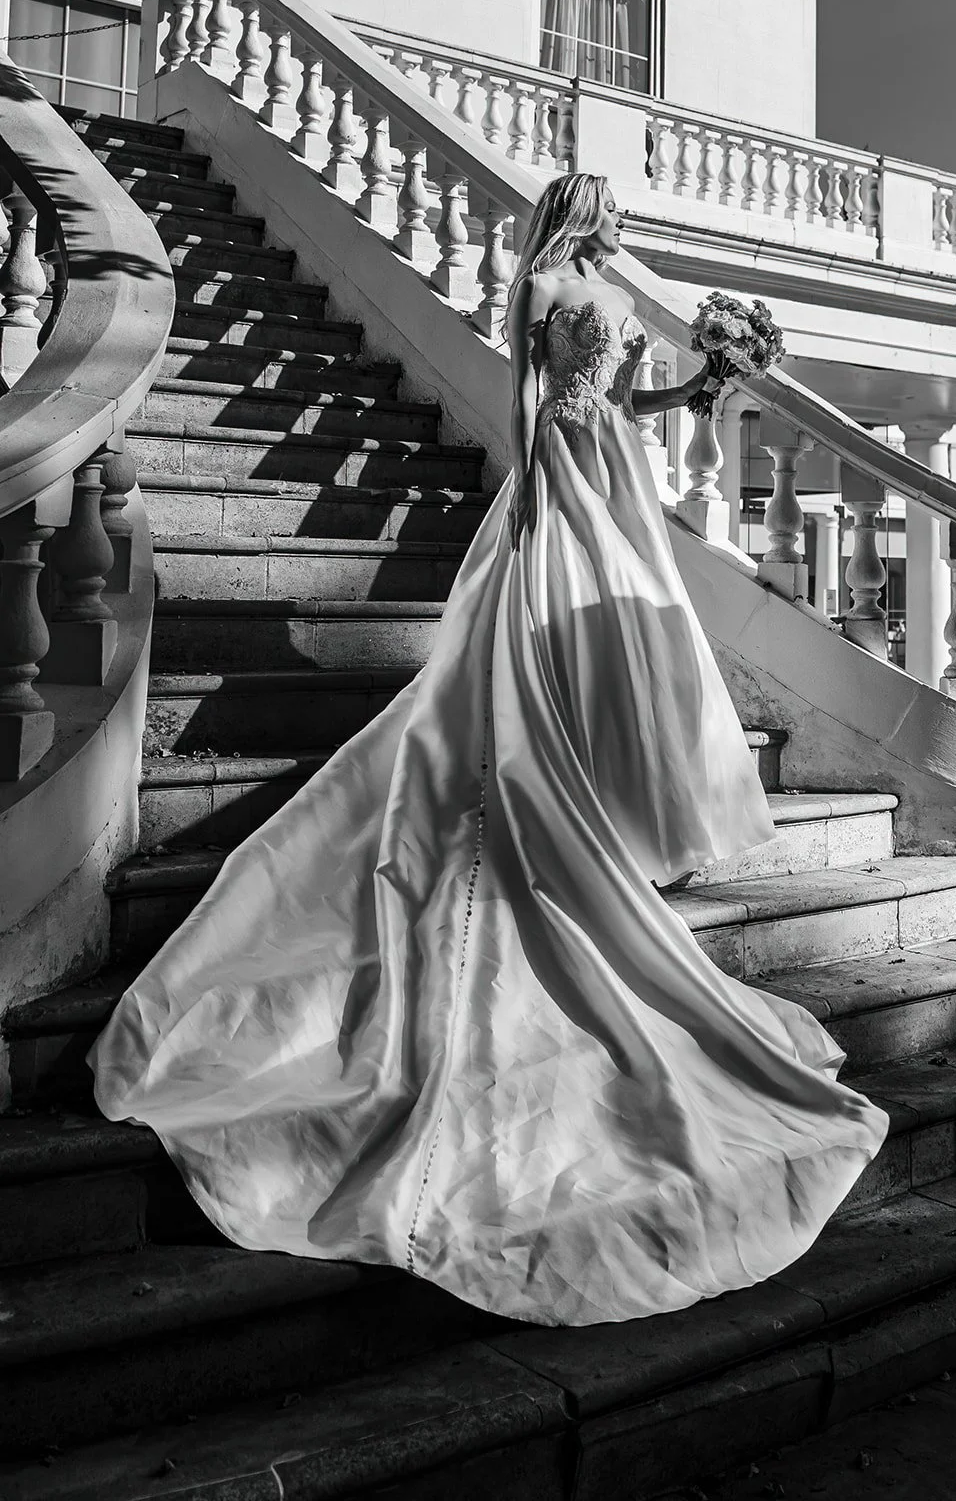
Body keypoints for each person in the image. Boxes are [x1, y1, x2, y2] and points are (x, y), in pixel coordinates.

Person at [89, 174, 888, 1328]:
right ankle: (552, 782)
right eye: (605, 209)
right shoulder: (547, 283)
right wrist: (526, 500)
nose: (618, 226)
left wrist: (703, 383)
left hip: (613, 462)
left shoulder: (606, 289)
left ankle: (603, 794)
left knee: (635, 642)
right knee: (556, 634)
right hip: (561, 470)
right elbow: (527, 395)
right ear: (578, 213)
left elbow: (625, 396)